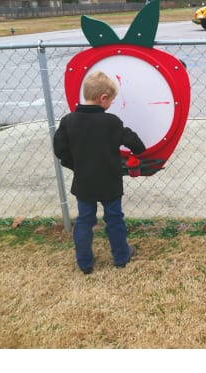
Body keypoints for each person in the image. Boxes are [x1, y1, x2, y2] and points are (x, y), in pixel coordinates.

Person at [53, 71, 146, 275]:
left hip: (84, 182)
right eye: (111, 100)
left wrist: (77, 165)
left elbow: (60, 150)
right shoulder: (111, 122)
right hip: (110, 183)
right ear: (103, 98)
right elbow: (134, 143)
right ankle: (121, 256)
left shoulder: (69, 121)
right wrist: (139, 149)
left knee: (85, 221)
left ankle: (85, 262)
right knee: (114, 219)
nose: (111, 104)